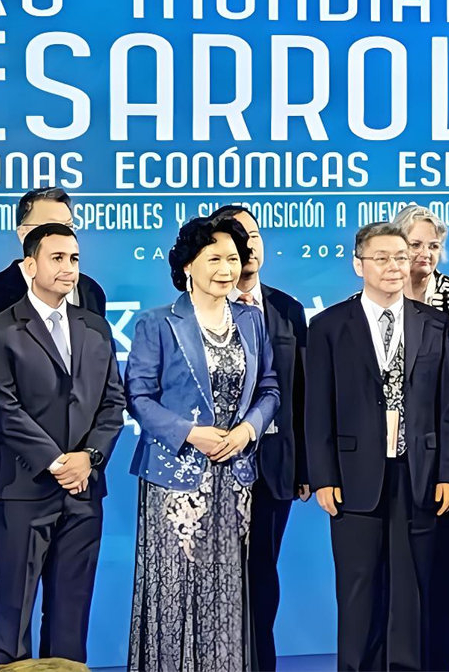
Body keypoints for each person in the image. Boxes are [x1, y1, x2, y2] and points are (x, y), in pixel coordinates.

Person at [125, 216, 280, 672]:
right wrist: (190, 433)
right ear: (188, 265)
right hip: (175, 480)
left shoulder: (251, 320)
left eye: (233, 259)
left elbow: (269, 388)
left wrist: (247, 430)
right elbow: (138, 396)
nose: (226, 269)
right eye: (214, 259)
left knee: (229, 594)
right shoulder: (157, 322)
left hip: (235, 479)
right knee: (176, 592)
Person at [305, 222, 449, 671]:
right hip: (355, 476)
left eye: (400, 257)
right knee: (359, 588)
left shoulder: (433, 323)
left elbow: (448, 405)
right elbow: (316, 408)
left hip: (419, 473)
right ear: (359, 265)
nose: (394, 266)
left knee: (413, 587)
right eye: (382, 258)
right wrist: (323, 477)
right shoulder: (329, 325)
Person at [0, 223, 127, 666]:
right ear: (30, 266)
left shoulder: (95, 326)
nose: (69, 268)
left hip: (84, 491)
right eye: (57, 258)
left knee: (71, 615)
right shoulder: (0, 329)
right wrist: (55, 462)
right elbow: (3, 407)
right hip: (24, 490)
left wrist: (89, 458)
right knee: (12, 612)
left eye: (74, 259)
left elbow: (113, 402)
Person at [211, 204, 310, 671]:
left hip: (273, 465)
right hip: (215, 465)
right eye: (235, 238)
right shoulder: (198, 309)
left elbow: (303, 392)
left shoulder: (287, 309)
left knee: (262, 577)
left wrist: (306, 467)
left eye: (253, 235)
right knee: (218, 581)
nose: (247, 246)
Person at [392, 204, 449, 670]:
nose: (425, 253)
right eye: (415, 244)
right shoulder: (378, 298)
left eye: (433, 245)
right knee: (398, 571)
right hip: (393, 458)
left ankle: (441, 660)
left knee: (446, 569)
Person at [0, 187, 108, 318]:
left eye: (68, 226)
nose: (62, 235)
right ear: (23, 234)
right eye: (51, 226)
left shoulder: (91, 292)